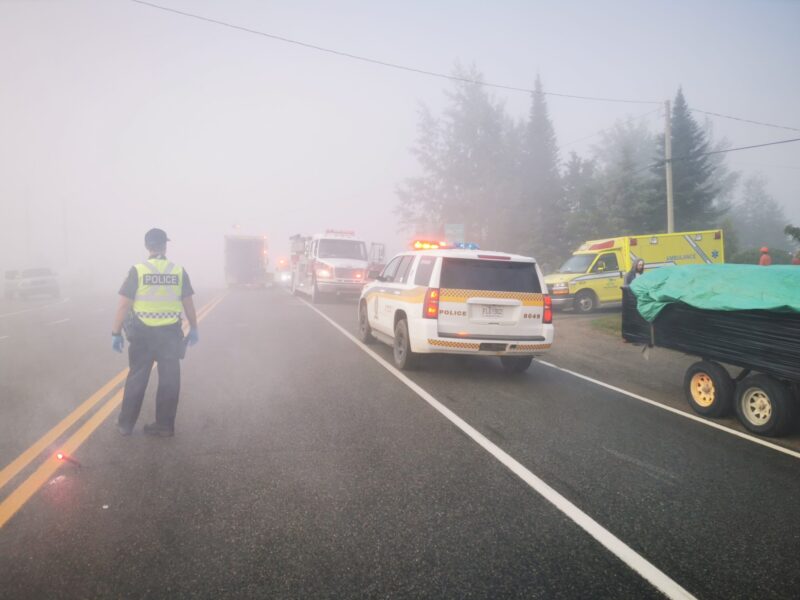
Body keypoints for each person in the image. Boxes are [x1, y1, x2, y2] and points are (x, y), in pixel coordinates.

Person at [111, 228, 198, 437]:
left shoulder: (138, 271)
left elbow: (124, 305)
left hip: (142, 334)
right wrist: (194, 328)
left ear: (147, 246)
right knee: (169, 379)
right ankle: (164, 425)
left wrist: (115, 332)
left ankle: (126, 425)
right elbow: (188, 304)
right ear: (164, 246)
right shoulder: (178, 271)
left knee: (137, 378)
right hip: (169, 334)